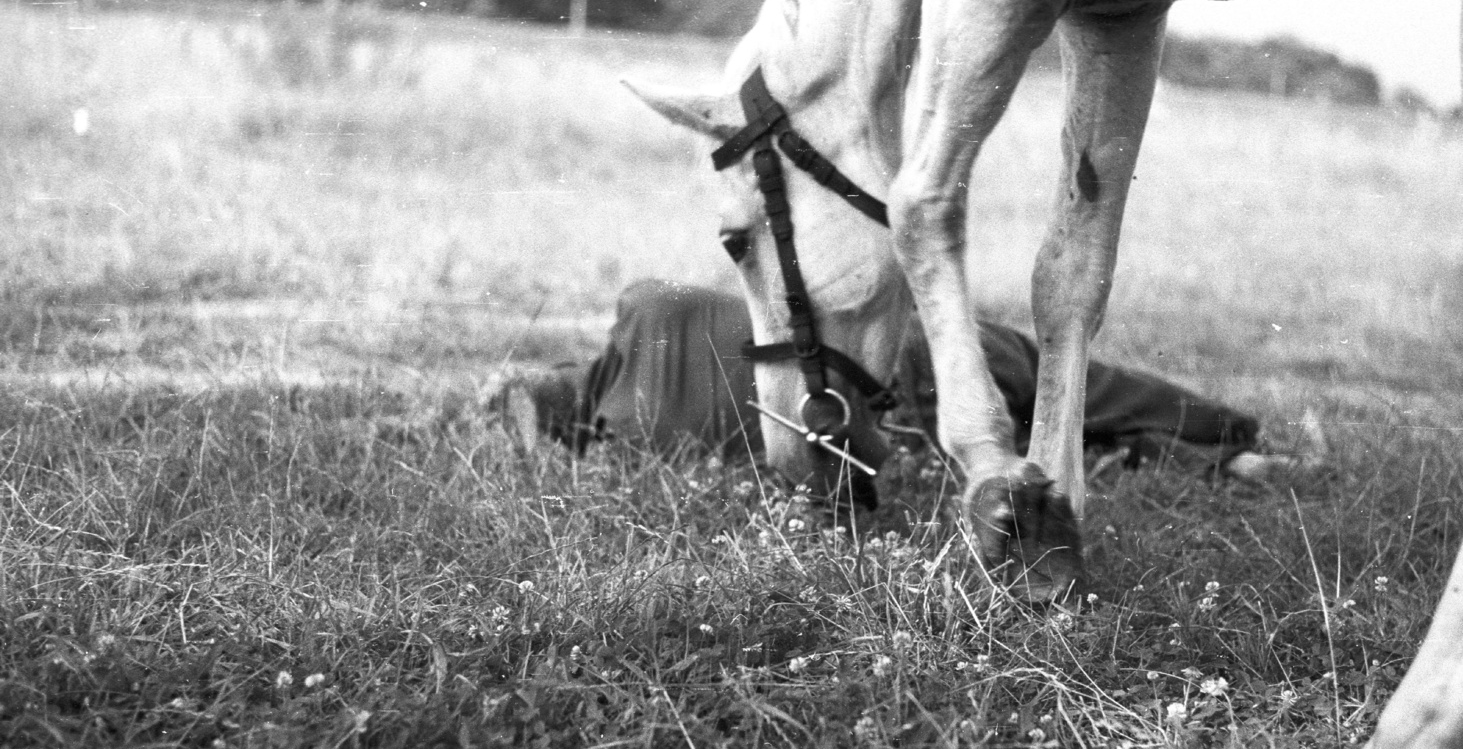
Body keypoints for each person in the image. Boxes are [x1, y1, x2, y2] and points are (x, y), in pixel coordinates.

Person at [485, 278, 1320, 482]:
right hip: (914, 357)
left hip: (901, 426)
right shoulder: (647, 306)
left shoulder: (639, 441)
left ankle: (1227, 462)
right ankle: (1235, 436)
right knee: (1084, 390)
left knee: (1068, 443)